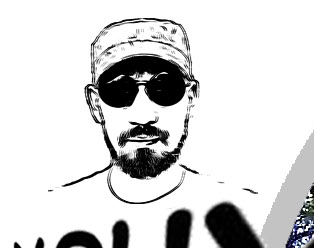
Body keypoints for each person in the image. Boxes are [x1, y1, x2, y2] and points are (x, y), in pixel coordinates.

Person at [55, 18, 256, 206]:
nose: (143, 116)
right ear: (95, 103)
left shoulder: (250, 213)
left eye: (164, 89)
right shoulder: (53, 213)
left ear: (191, 97)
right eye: (119, 91)